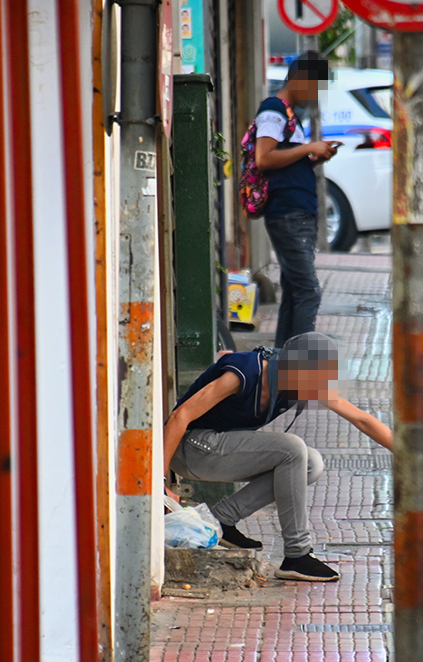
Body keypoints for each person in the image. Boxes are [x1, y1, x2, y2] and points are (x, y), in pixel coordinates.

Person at [163, 333, 392, 582]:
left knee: (310, 463)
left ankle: (221, 520)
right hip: (191, 449)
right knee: (292, 448)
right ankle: (297, 554)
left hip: (218, 448)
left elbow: (361, 419)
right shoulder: (244, 372)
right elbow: (180, 416)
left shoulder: (300, 381)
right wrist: (158, 482)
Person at [255, 51, 338, 347]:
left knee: (294, 292)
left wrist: (312, 158)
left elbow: (284, 165)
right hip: (287, 214)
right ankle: (300, 364)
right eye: (315, 87)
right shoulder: (273, 111)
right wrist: (307, 149)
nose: (315, 96)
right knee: (308, 291)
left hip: (297, 212)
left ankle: (281, 362)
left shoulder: (289, 115)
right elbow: (264, 158)